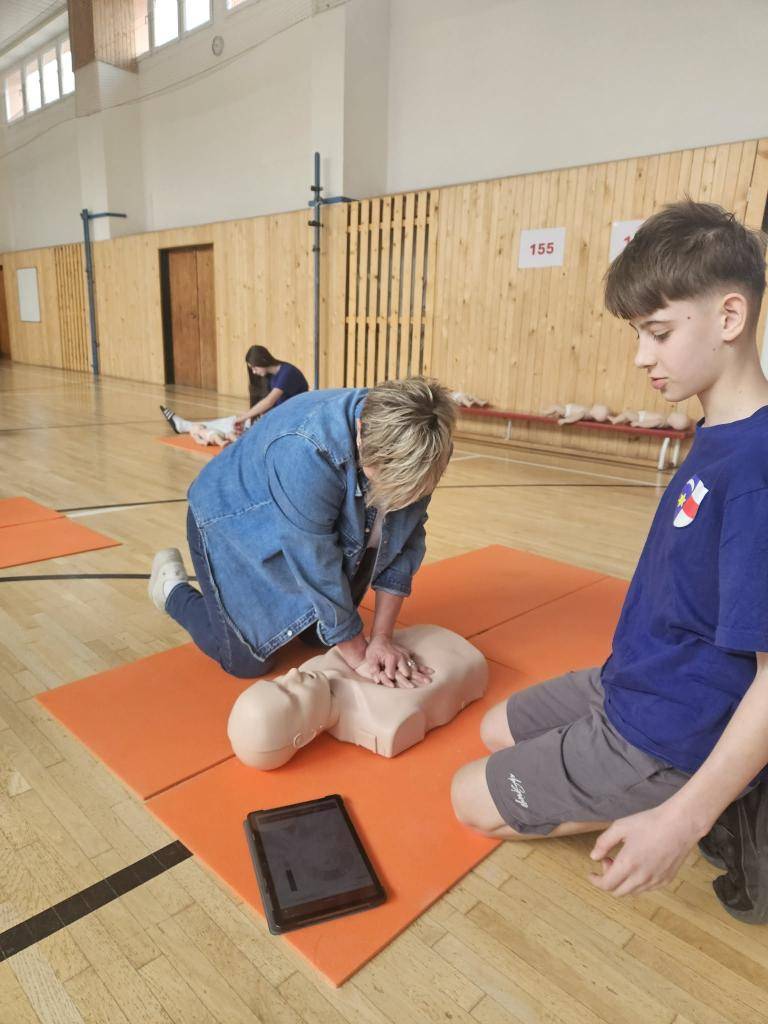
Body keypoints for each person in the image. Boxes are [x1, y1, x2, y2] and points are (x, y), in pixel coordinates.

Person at [451, 199, 768, 923]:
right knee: (495, 727)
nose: (640, 356)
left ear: (728, 318)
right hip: (632, 680)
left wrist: (679, 820)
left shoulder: (757, 471)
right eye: (637, 334)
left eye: (657, 332)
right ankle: (613, 769)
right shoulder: (717, 430)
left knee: (468, 797)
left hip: (667, 729)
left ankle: (689, 795)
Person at [148, 377, 456, 688]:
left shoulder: (425, 444)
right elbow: (313, 560)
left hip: (303, 517)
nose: (393, 495)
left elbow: (405, 539)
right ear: (361, 431)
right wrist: (360, 656)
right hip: (232, 519)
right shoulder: (305, 447)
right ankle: (171, 590)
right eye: (381, 479)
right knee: (245, 662)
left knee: (321, 637)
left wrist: (381, 638)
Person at [159, 345, 309, 444]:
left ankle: (185, 426)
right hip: (280, 418)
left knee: (234, 422)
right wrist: (248, 418)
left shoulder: (287, 373)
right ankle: (185, 426)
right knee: (233, 422)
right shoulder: (273, 377)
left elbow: (269, 402)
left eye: (254, 368)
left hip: (292, 420)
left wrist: (245, 417)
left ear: (262, 361)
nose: (254, 372)